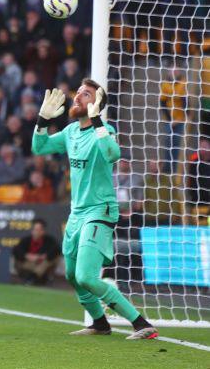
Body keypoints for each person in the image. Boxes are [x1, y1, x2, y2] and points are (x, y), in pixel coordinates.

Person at [33, 80, 157, 339]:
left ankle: (141, 324)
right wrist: (42, 120)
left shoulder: (105, 130)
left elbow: (112, 154)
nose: (77, 97)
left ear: (97, 104)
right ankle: (100, 324)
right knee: (72, 275)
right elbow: (39, 147)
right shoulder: (70, 132)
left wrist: (97, 121)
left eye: (86, 94)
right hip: (77, 213)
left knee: (87, 276)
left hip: (99, 210)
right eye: (78, 92)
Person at [11, 218, 60, 285]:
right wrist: (27, 256)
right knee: (18, 260)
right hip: (29, 263)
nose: (36, 232)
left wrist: (43, 256)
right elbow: (16, 250)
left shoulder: (50, 241)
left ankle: (33, 278)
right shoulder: (26, 240)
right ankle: (29, 278)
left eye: (38, 230)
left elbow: (56, 250)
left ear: (43, 231)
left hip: (42, 264)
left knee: (47, 262)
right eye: (35, 230)